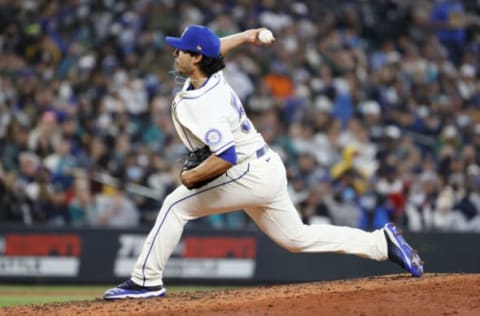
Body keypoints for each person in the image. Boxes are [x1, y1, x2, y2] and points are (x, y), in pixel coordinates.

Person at [103, 25, 423, 300]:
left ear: (196, 58)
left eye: (182, 51)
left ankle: (146, 280)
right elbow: (217, 47)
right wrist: (247, 35)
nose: (176, 55)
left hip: (246, 171)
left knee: (176, 204)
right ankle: (381, 243)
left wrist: (193, 177)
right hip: (265, 165)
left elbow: (225, 157)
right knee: (295, 238)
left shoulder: (203, 103)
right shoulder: (210, 74)